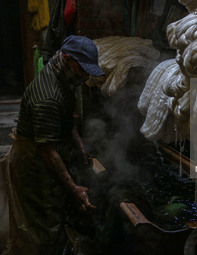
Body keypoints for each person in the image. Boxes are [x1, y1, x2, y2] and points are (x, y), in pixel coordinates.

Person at [4, 35, 105, 254]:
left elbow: (66, 119)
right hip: (33, 162)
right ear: (68, 59)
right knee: (42, 227)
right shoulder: (48, 97)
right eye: (83, 69)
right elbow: (47, 151)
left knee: (50, 220)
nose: (85, 76)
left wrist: (80, 147)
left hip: (44, 150)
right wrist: (75, 189)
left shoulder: (59, 73)